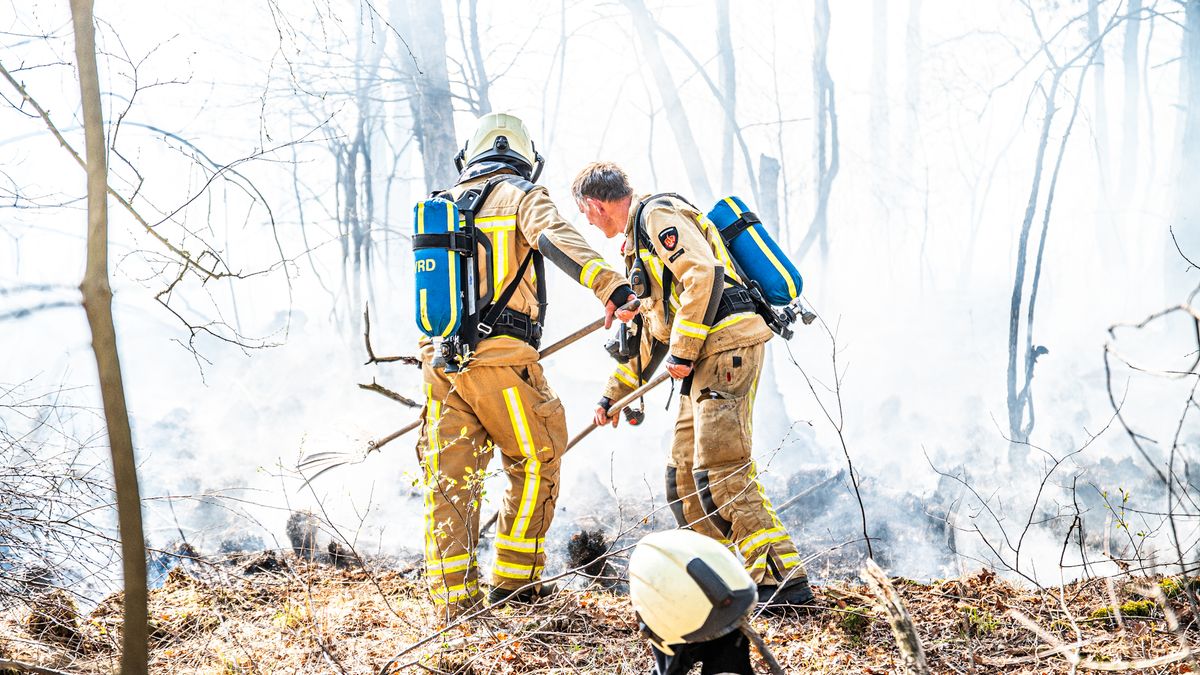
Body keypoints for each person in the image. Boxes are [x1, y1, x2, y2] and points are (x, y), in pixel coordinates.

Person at [416, 116, 638, 619]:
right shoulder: (520, 195)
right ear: (524, 157)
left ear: (470, 155)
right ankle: (515, 588)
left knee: (450, 481)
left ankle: (454, 606)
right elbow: (556, 237)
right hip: (502, 362)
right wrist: (611, 286)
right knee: (536, 459)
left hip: (440, 365)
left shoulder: (441, 205)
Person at [572, 161, 813, 608]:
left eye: (585, 213)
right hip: (702, 357)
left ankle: (783, 583)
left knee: (722, 470)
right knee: (683, 478)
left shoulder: (658, 215)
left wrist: (682, 351)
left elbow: (703, 274)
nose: (587, 222)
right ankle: (717, 583)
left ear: (595, 204)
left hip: (724, 348)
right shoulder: (637, 245)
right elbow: (651, 332)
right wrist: (612, 396)